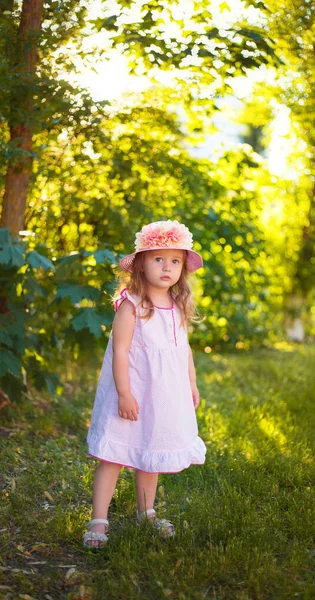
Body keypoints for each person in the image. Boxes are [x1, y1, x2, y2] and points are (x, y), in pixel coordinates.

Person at [84, 220, 207, 549]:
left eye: (175, 261)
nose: (167, 267)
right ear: (140, 264)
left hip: (162, 396)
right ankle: (99, 519)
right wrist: (124, 393)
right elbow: (120, 351)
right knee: (114, 454)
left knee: (150, 451)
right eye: (158, 259)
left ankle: (146, 512)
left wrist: (191, 384)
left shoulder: (178, 306)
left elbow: (185, 350)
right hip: (132, 392)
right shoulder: (132, 305)